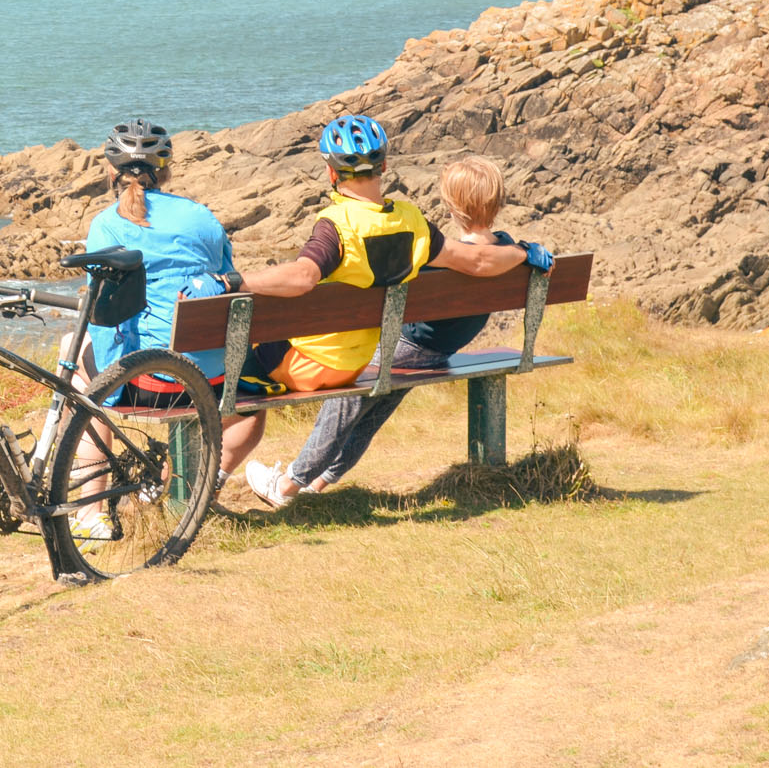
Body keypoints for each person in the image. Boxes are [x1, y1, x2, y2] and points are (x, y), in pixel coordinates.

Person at [225, 121, 550, 507]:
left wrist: (234, 280)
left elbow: (303, 276)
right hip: (395, 355)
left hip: (338, 358)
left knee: (250, 381)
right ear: (383, 167)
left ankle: (277, 484)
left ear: (331, 172)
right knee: (371, 405)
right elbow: (477, 260)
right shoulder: (413, 224)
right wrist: (523, 253)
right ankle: (312, 483)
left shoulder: (336, 226)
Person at [77, 118, 272, 481]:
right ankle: (205, 487)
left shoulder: (106, 224)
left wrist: (110, 391)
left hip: (150, 386)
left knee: (75, 366)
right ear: (165, 172)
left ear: (110, 169)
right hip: (213, 381)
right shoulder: (201, 217)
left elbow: (103, 318)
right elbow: (227, 291)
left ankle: (90, 511)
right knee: (252, 414)